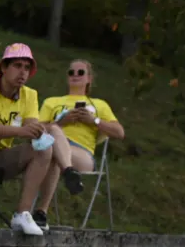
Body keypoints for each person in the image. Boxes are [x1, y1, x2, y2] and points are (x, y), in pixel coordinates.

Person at [0, 43, 83, 236]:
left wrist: (42, 133)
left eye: (27, 68)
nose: (23, 73)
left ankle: (22, 214)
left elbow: (33, 131)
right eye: (18, 66)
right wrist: (21, 131)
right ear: (3, 67)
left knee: (44, 148)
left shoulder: (30, 95)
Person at [35, 59, 125, 230]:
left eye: (80, 72)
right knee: (54, 138)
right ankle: (67, 177)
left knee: (53, 149)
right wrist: (62, 121)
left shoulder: (99, 105)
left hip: (82, 155)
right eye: (71, 72)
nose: (75, 75)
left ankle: (41, 210)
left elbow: (119, 133)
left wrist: (94, 121)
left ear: (89, 78)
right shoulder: (52, 102)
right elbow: (36, 128)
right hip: (54, 148)